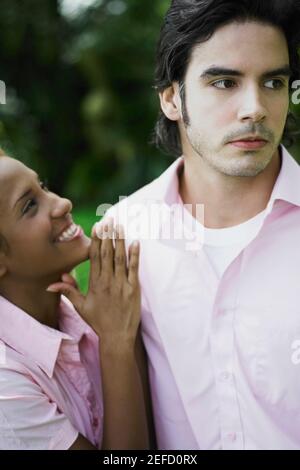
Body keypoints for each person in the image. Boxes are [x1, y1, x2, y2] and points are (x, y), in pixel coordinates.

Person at [93, 0, 300, 450]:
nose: (256, 108)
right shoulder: (125, 233)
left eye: (274, 82)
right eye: (224, 82)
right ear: (171, 98)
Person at [0, 151, 152, 450]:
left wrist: (123, 327)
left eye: (42, 186)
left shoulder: (88, 312)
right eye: (30, 205)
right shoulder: (6, 387)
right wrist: (116, 342)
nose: (62, 203)